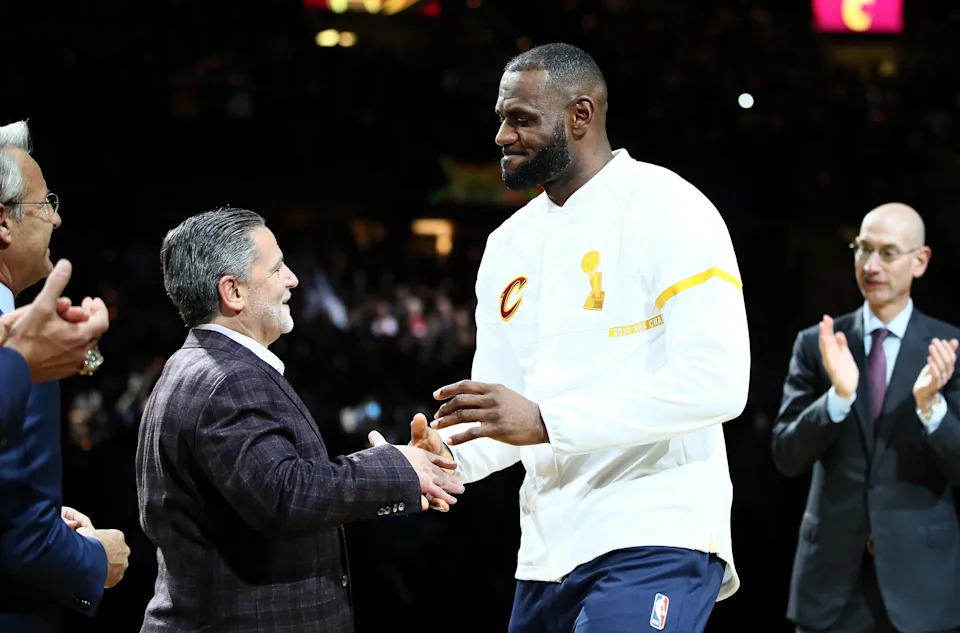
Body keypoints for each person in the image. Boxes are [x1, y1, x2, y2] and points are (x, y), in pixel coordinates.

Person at [415, 43, 751, 633]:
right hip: (545, 554)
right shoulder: (506, 245)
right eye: (502, 118)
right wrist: (444, 457)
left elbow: (719, 382)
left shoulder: (670, 207)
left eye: (521, 119)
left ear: (580, 115)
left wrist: (546, 421)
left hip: (654, 530)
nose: (502, 135)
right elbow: (504, 418)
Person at [136, 207, 464, 632]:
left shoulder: (198, 367)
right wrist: (394, 468)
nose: (292, 279)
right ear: (232, 292)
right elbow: (283, 494)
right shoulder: (227, 379)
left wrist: (405, 470)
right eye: (277, 269)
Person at [772, 202, 960, 633]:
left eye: (888, 253)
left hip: (924, 588)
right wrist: (837, 399)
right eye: (862, 249)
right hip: (830, 587)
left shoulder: (949, 350)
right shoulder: (818, 345)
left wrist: (931, 406)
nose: (871, 265)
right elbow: (786, 456)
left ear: (920, 261)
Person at [0, 120, 131, 632]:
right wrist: (98, 558)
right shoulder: (21, 350)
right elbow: (24, 543)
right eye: (45, 204)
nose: (56, 219)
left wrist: (41, 513)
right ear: (3, 222)